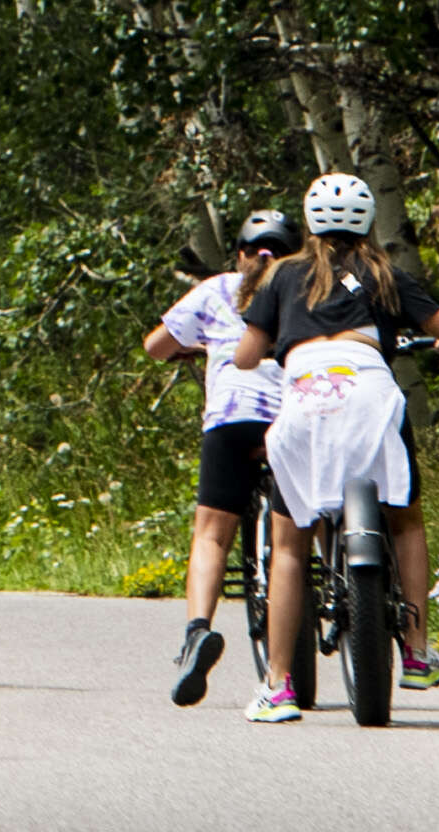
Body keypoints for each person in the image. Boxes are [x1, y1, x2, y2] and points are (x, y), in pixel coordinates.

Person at [234, 171, 439, 722]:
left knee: (290, 544)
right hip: (369, 392)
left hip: (305, 399)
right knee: (406, 519)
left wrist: (271, 341)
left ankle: (277, 688)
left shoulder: (281, 275)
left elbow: (247, 356)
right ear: (368, 220)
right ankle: (414, 653)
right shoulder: (385, 273)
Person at [144, 206, 300, 703]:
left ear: (240, 254)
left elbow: (155, 345)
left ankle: (197, 630)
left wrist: (190, 348)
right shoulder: (301, 288)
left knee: (211, 533)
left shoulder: (216, 289)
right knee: (295, 538)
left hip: (232, 417)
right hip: (290, 419)